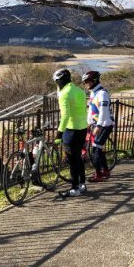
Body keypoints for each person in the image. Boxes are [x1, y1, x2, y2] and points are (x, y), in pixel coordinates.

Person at [53, 68, 88, 197]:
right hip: (83, 128)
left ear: (60, 81)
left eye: (57, 82)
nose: (57, 85)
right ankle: (82, 184)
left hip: (71, 129)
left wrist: (59, 133)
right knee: (78, 157)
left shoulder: (64, 94)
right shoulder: (79, 90)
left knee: (72, 160)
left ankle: (74, 188)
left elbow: (65, 115)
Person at [83, 70, 114, 183]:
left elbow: (103, 111)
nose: (86, 84)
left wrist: (98, 126)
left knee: (95, 149)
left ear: (94, 81)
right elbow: (91, 110)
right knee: (98, 149)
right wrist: (89, 123)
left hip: (104, 125)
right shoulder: (93, 93)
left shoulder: (102, 94)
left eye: (88, 81)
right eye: (85, 82)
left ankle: (99, 174)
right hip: (98, 124)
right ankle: (105, 170)